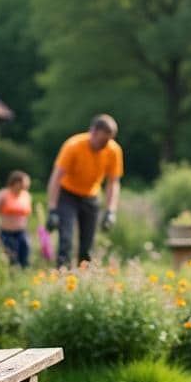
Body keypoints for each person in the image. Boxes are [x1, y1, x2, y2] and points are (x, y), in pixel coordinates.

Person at [45, 114, 123, 267]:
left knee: (87, 245)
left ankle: (83, 280)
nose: (105, 145)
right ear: (93, 131)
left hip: (91, 196)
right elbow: (56, 177)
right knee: (66, 239)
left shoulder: (113, 150)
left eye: (108, 141)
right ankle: (63, 277)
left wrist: (110, 211)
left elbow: (113, 183)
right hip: (67, 195)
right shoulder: (73, 146)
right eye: (102, 141)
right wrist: (52, 209)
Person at [0, 170, 33, 268]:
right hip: (7, 233)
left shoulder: (26, 195)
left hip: (22, 232)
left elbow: (27, 215)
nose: (27, 185)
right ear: (16, 182)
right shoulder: (3, 195)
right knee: (12, 258)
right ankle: (13, 278)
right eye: (25, 182)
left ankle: (23, 277)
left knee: (25, 254)